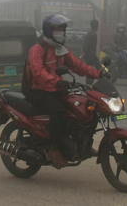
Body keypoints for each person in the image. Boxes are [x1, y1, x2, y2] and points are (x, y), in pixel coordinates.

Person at [25, 14, 101, 168]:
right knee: (58, 111)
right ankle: (54, 149)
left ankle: (83, 144)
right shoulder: (37, 49)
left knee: (87, 108)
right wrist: (57, 82)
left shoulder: (61, 49)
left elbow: (78, 65)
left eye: (62, 29)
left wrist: (98, 73)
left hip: (57, 89)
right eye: (57, 29)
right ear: (48, 30)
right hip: (39, 91)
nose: (61, 32)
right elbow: (38, 72)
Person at [82, 19, 101, 84]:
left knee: (90, 69)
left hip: (88, 54)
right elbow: (90, 46)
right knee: (98, 68)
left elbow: (85, 45)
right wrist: (92, 55)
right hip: (91, 54)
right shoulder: (93, 34)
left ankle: (88, 83)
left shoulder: (89, 33)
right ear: (97, 26)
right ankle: (101, 81)